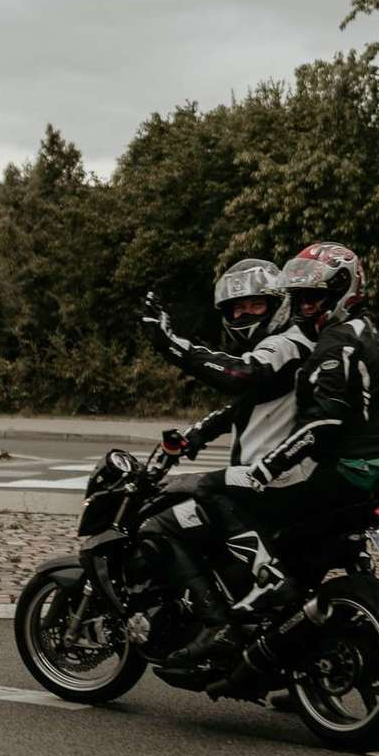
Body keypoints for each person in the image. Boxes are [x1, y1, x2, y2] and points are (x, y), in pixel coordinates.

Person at [150, 241, 379, 668]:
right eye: (300, 298)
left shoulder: (325, 342)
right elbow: (252, 399)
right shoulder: (360, 332)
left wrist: (268, 467)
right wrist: (196, 434)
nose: (306, 306)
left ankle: (224, 619)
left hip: (320, 472)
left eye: (314, 297)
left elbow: (313, 416)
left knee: (197, 494)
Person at [138, 258, 315, 663]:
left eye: (253, 304)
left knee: (161, 520)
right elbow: (250, 401)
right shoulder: (295, 345)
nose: (242, 314)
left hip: (272, 479)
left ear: (279, 303)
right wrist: (197, 435)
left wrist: (171, 343)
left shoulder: (285, 343)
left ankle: (217, 624)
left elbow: (239, 376)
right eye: (235, 308)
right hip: (287, 477)